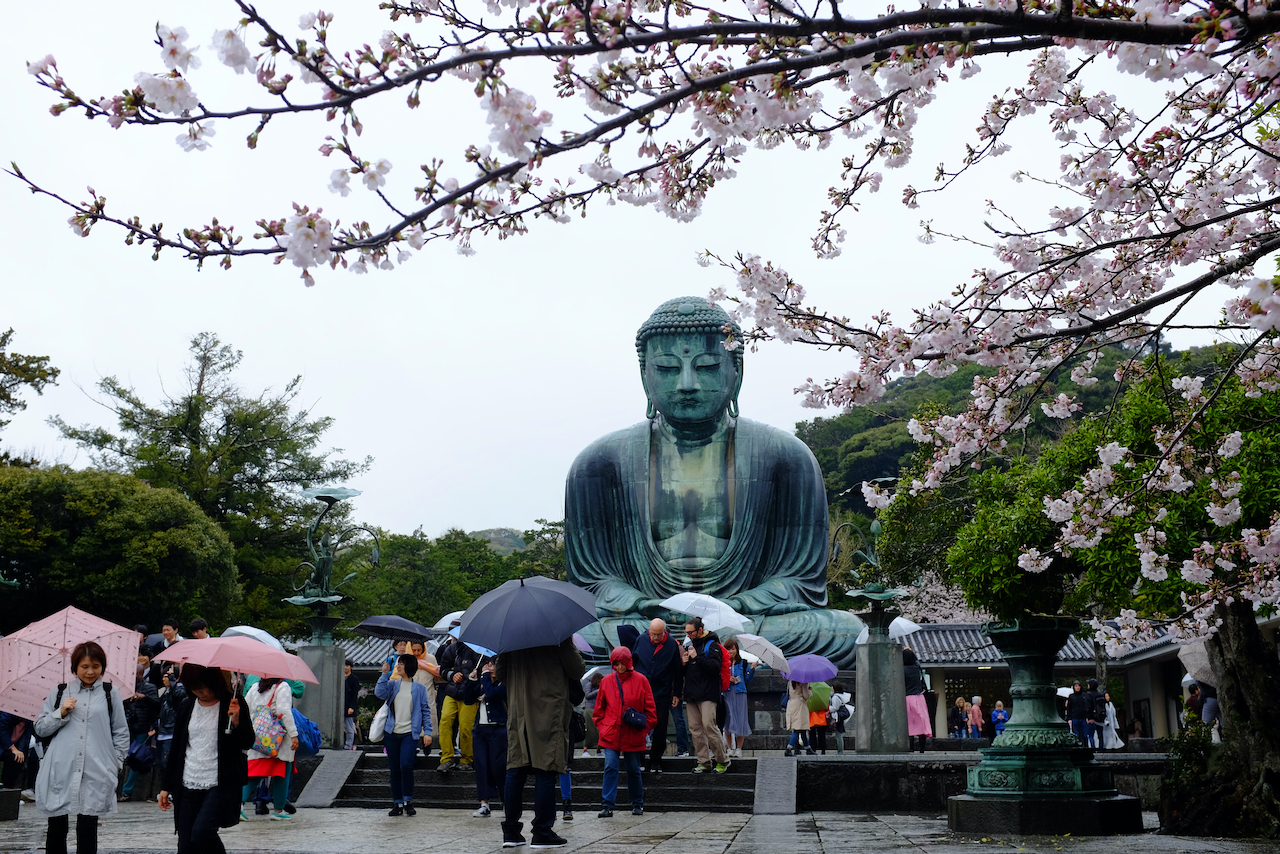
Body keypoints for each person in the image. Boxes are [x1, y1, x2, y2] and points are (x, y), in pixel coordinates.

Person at [564, 297, 863, 667]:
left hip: (744, 623)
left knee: (845, 632)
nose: (687, 384)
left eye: (706, 367)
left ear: (736, 370)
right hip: (643, 622)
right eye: (668, 369)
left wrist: (736, 606)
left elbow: (799, 581)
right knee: (574, 638)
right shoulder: (599, 463)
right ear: (645, 375)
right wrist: (641, 603)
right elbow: (592, 583)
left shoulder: (786, 456)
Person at [33, 641, 129, 854]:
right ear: (75, 667)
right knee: (57, 826)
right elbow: (40, 728)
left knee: (88, 827)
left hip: (95, 767)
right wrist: (61, 712)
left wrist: (117, 763)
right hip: (61, 766)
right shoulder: (60, 692)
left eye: (95, 666)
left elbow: (120, 731)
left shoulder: (109, 692)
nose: (90, 671)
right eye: (84, 666)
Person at [494, 637, 584, 850]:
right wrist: (568, 642)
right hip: (547, 709)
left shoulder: (512, 637)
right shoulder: (556, 637)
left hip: (518, 712)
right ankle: (542, 831)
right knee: (546, 768)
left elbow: (500, 673)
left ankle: (511, 831)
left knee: (516, 769)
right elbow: (577, 669)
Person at [158, 663, 253, 854]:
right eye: (194, 687)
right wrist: (166, 787)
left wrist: (235, 721)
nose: (200, 692)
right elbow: (177, 747)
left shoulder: (233, 702)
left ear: (215, 682)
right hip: (188, 780)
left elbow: (248, 741)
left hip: (219, 781)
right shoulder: (187, 705)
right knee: (185, 845)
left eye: (203, 686)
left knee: (202, 833)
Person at [593, 647, 657, 817]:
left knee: (634, 769)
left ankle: (637, 803)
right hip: (611, 733)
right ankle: (607, 804)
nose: (619, 667)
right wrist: (603, 727)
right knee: (610, 766)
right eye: (616, 663)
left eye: (621, 663)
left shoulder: (641, 680)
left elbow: (651, 710)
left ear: (628, 662)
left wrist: (645, 730)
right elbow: (598, 711)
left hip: (632, 733)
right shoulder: (606, 681)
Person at [373, 654, 433, 816]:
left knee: (406, 765)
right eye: (398, 663)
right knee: (394, 769)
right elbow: (379, 693)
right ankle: (397, 803)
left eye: (401, 663)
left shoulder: (419, 688)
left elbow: (426, 711)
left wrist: (427, 732)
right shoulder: (392, 685)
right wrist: (384, 674)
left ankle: (408, 800)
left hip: (409, 734)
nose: (398, 666)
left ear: (410, 666)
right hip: (391, 733)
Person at [628, 618, 683, 772]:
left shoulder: (671, 643)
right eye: (653, 634)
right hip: (641, 691)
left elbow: (677, 670)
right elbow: (632, 662)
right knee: (638, 723)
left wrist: (677, 693)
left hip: (662, 691)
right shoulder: (641, 639)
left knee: (660, 726)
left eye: (659, 635)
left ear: (664, 632)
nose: (655, 638)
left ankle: (656, 760)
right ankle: (639, 758)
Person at [241, 677, 299, 821]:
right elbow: (284, 711)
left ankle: (238, 806)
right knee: (282, 775)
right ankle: (278, 810)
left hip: (259, 736)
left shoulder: (255, 687)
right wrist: (293, 734)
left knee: (253, 776)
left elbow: (245, 708)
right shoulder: (282, 687)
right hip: (278, 740)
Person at [679, 618, 729, 773]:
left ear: (700, 630)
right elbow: (686, 674)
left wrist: (696, 658)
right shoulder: (690, 646)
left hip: (708, 693)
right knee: (695, 729)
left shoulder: (713, 646)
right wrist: (684, 664)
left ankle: (722, 760)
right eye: (687, 632)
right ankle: (704, 761)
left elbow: (714, 668)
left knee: (709, 726)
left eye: (691, 632)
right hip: (692, 694)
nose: (688, 635)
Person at [119, 647, 161, 802]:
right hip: (129, 726)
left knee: (136, 758)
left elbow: (158, 704)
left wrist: (144, 698)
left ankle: (127, 791)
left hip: (143, 727)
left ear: (140, 674)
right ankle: (122, 789)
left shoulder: (149, 687)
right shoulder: (127, 688)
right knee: (126, 757)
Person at [466, 658, 506, 818]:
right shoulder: (483, 681)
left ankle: (506, 801)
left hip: (498, 728)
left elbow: (492, 693)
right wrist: (471, 680)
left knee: (499, 767)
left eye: (493, 665)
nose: (490, 668)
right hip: (480, 729)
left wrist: (484, 678)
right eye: (488, 665)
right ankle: (484, 803)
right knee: (481, 765)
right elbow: (468, 699)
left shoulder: (503, 683)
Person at [438, 636, 479, 773]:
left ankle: (467, 759)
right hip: (452, 691)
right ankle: (446, 758)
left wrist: (472, 677)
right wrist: (452, 675)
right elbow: (442, 670)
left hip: (469, 693)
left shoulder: (478, 650)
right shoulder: (451, 649)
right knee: (444, 721)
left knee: (466, 726)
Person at [153, 664, 188, 800]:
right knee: (161, 763)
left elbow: (179, 697)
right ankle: (166, 788)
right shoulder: (165, 691)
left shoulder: (178, 688)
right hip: (162, 731)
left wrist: (174, 680)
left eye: (166, 676)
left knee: (167, 762)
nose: (164, 679)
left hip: (171, 731)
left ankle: (172, 789)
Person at [721, 638, 753, 758]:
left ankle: (739, 748)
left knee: (741, 720)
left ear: (737, 649)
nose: (731, 652)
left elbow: (747, 679)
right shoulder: (723, 663)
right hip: (727, 692)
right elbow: (719, 677)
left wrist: (752, 670)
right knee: (728, 721)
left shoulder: (743, 663)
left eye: (733, 649)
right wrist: (727, 678)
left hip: (740, 693)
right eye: (728, 649)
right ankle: (729, 748)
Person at [0, 712, 39, 799]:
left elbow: (27, 738)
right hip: (4, 745)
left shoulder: (29, 721)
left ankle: (8, 792)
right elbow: (1, 729)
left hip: (13, 748)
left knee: (19, 758)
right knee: (14, 756)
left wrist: (19, 751)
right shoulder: (8, 714)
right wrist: (13, 748)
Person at [409, 641, 441, 741]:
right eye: (414, 650)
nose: (417, 653)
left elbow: (437, 675)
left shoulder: (431, 659)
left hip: (428, 695)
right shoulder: (407, 659)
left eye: (419, 650)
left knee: (429, 722)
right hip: (411, 696)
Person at [902, 649, 931, 752]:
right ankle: (922, 749)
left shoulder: (902, 670)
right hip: (918, 698)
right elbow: (917, 661)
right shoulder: (917, 668)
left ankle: (911, 749)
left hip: (906, 698)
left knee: (909, 724)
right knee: (921, 723)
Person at [784, 681, 813, 756]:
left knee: (801, 728)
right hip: (800, 706)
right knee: (797, 729)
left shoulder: (790, 682)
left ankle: (808, 748)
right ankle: (788, 748)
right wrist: (810, 691)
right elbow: (806, 695)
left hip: (791, 704)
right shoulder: (803, 682)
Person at [1065, 680, 1091, 745]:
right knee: (1076, 735)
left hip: (1083, 718)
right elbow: (1069, 708)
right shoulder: (1071, 697)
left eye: (1079, 686)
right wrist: (1069, 718)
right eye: (1076, 686)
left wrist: (1088, 716)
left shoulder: (1084, 695)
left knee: (1085, 735)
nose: (1078, 687)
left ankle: (1085, 747)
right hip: (1075, 717)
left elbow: (1087, 706)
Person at [343, 659, 361, 749]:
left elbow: (354, 694)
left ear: (351, 667)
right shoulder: (339, 677)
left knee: (349, 728)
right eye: (344, 665)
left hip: (349, 706)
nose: (345, 667)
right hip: (340, 706)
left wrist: (352, 707)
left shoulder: (354, 679)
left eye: (347, 665)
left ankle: (348, 745)